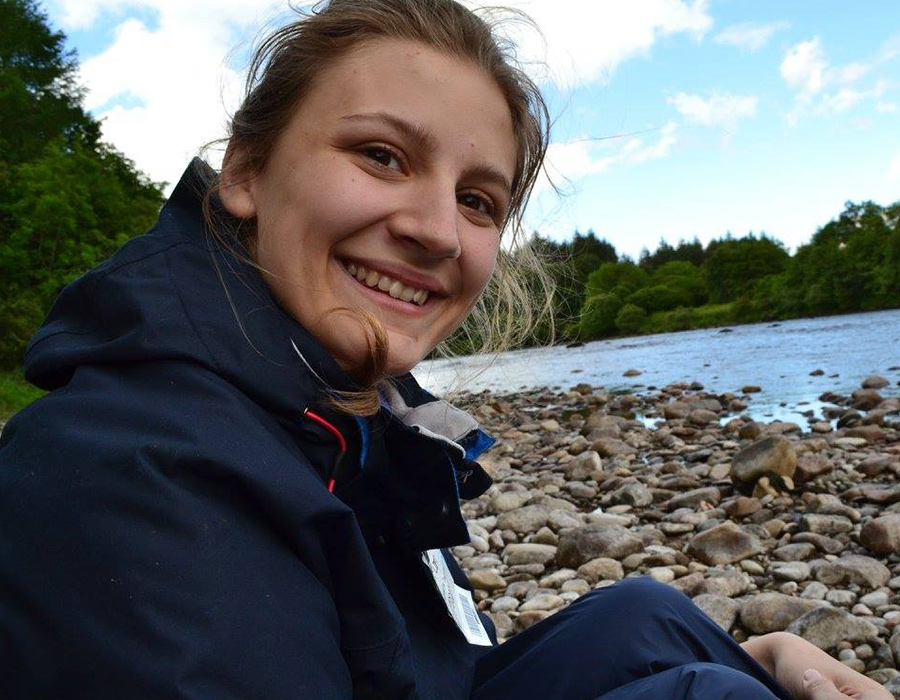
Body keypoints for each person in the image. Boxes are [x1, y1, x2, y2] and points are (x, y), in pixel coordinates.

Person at [0, 1, 892, 699]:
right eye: (382, 155)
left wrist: (753, 653)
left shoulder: (337, 423)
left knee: (647, 616)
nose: (435, 231)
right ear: (245, 174)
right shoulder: (139, 477)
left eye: (477, 201)